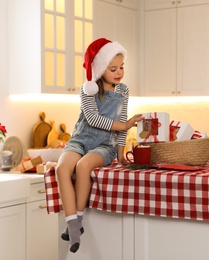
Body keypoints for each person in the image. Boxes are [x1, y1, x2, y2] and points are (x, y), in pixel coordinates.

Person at [56, 38, 144, 253]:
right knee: (61, 168)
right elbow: (93, 119)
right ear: (99, 69)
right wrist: (124, 124)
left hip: (105, 145)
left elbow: (122, 125)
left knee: (84, 166)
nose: (119, 72)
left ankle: (76, 221)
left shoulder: (123, 91)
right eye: (113, 68)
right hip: (80, 139)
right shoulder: (87, 90)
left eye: (121, 67)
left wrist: (121, 153)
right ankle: (73, 224)